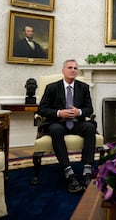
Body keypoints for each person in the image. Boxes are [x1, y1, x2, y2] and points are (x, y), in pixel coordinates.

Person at [38, 59, 96, 193]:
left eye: (76, 68)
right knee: (56, 129)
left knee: (90, 127)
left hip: (76, 122)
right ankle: (68, 172)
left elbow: (89, 109)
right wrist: (59, 113)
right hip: (58, 123)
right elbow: (42, 109)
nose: (73, 70)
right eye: (70, 67)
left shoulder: (83, 87)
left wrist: (79, 112)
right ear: (63, 70)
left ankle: (87, 171)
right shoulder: (52, 87)